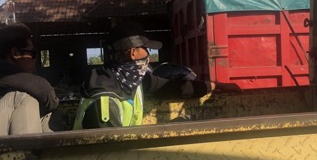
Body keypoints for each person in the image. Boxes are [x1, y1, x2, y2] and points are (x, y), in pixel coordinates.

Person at [74, 21, 217, 129]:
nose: (148, 54)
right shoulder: (105, 99)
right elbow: (111, 154)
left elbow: (170, 87)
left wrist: (211, 86)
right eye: (146, 48)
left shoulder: (129, 81)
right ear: (133, 53)